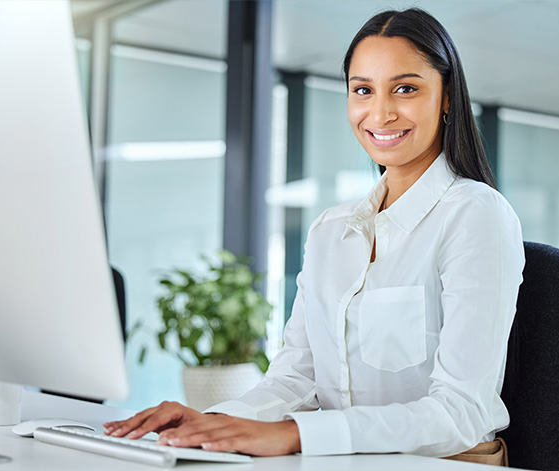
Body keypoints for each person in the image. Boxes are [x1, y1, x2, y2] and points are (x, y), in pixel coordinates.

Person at [104, 8, 524, 463]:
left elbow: (460, 412)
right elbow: (296, 380)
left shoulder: (475, 214)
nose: (380, 112)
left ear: (446, 98)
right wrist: (214, 420)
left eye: (405, 88)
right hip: (347, 460)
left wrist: (296, 434)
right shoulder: (330, 231)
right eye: (362, 90)